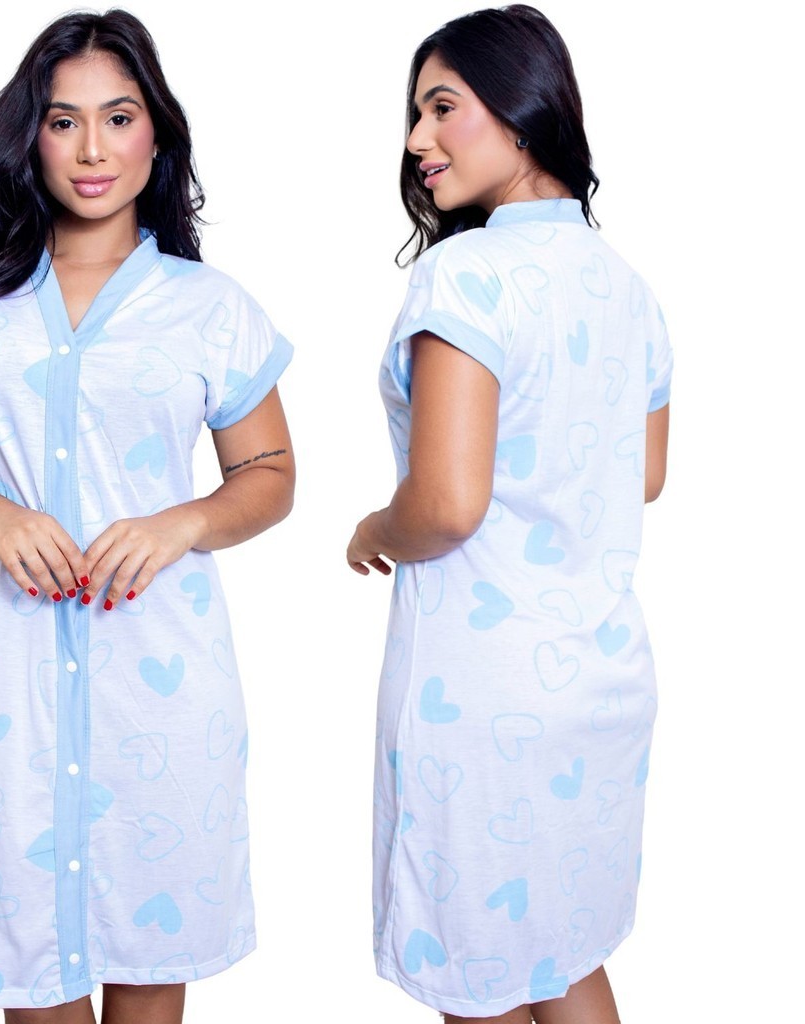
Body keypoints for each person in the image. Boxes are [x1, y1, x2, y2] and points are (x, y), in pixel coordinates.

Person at [0, 10, 294, 1023]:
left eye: (118, 117)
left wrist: (179, 523)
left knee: (149, 965)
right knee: (30, 969)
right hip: (9, 687)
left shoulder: (210, 306)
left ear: (157, 133)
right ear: (31, 136)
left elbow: (270, 471)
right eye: (64, 121)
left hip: (161, 687)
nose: (93, 148)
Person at [346, 6, 671, 1022]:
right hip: (602, 678)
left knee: (478, 979)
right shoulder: (626, 287)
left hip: (483, 699)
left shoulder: (467, 273)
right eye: (415, 113)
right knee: (565, 954)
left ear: (522, 111)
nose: (417, 138)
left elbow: (446, 505)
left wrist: (373, 530)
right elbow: (645, 473)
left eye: (442, 107)